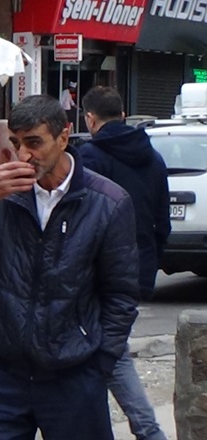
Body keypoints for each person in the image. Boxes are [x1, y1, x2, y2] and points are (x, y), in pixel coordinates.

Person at [0, 95, 139, 439]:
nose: (24, 155)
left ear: (64, 137)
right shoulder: (1, 195)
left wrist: (99, 364)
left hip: (72, 376)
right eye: (16, 144)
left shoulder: (108, 203)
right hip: (4, 374)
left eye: (34, 143)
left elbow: (121, 295)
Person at [79, 86, 171, 440]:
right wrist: (148, 259)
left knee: (109, 354)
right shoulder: (154, 157)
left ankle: (148, 432)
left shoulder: (90, 156)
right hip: (137, 268)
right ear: (122, 114)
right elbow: (163, 222)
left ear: (90, 118)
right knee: (107, 352)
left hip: (97, 270)